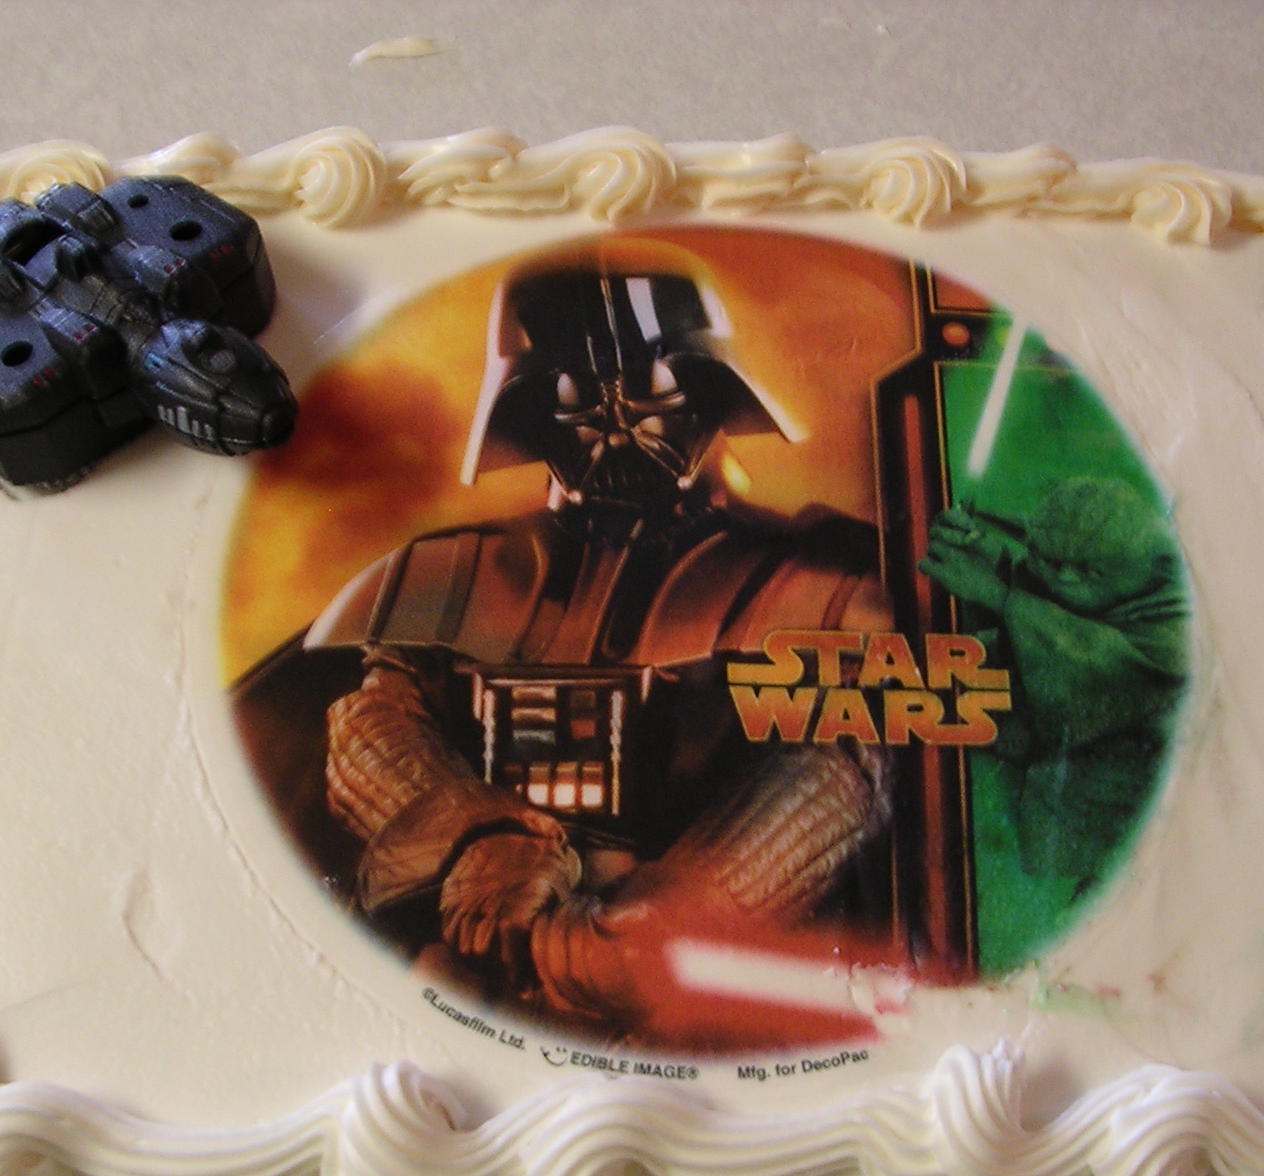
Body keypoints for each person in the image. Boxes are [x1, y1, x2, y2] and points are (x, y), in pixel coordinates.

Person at [233, 239, 893, 1047]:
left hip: (693, 987)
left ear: (709, 392)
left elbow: (854, 752)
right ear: (529, 413)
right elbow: (366, 721)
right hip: (463, 967)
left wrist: (700, 902)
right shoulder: (443, 573)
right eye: (578, 398)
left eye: (651, 391)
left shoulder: (817, 580)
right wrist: (474, 838)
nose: (617, 423)